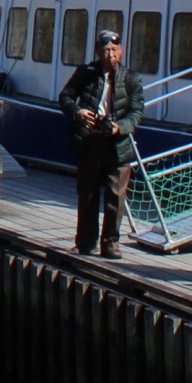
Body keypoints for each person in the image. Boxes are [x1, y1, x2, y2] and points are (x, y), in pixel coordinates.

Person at [59, 28, 144, 258]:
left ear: (121, 51)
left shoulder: (131, 78)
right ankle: (86, 242)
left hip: (117, 144)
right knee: (87, 193)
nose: (110, 55)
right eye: (106, 50)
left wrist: (119, 127)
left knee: (116, 196)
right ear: (98, 51)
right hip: (89, 139)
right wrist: (78, 112)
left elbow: (136, 112)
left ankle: (111, 244)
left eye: (114, 50)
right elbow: (65, 97)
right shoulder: (85, 73)